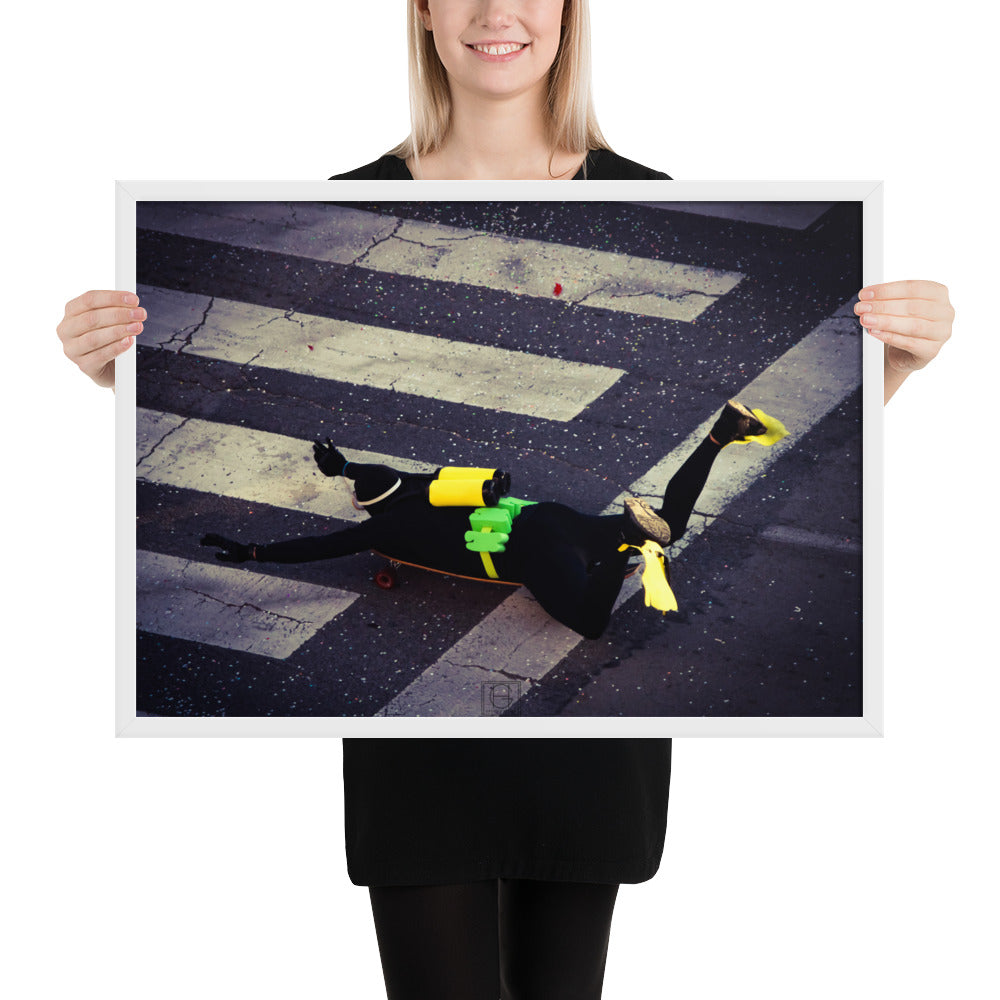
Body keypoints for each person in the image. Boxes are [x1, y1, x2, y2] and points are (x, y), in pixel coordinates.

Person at [55, 2, 954, 998]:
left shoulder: (395, 508)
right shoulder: (342, 225)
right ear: (423, 12)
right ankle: (686, 482)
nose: (496, 11)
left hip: (563, 671)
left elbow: (323, 534)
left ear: (571, 13)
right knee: (627, 555)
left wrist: (900, 366)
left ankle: (655, 528)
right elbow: (342, 500)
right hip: (463, 700)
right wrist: (120, 382)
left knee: (597, 598)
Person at [199, 401, 778, 637]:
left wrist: (254, 553)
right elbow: (372, 474)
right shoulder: (427, 484)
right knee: (670, 524)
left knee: (591, 624)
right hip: (548, 518)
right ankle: (721, 432)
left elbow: (321, 546)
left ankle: (628, 547)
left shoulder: (382, 530)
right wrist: (343, 465)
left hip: (527, 554)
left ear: (368, 508)